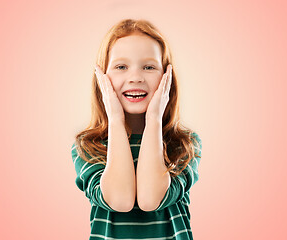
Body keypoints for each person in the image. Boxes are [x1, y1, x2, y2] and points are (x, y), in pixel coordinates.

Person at [71, 18, 202, 240]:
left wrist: (153, 119)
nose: (135, 78)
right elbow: (120, 200)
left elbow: (151, 200)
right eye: (121, 67)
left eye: (149, 67)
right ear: (102, 78)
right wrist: (114, 119)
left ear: (166, 77)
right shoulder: (88, 147)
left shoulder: (184, 144)